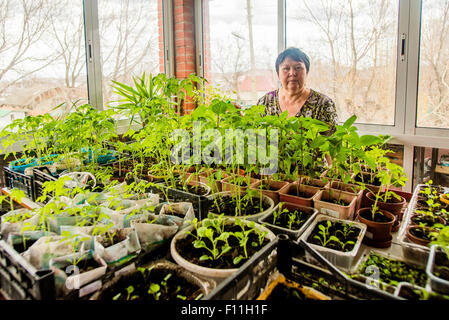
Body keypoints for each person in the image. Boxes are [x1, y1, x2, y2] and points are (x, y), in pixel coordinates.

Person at [257, 47, 338, 136]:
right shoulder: (265, 103)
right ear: (278, 74)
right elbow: (258, 143)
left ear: (306, 72)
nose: (292, 73)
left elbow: (331, 144)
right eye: (286, 68)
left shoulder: (323, 104)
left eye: (298, 68)